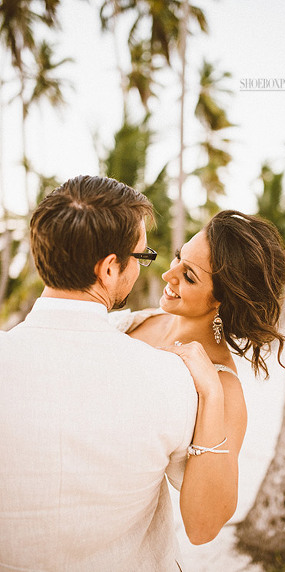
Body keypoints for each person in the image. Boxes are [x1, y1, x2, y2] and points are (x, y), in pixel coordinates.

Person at [0, 175, 201, 570]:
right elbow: (199, 505)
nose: (146, 270)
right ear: (109, 268)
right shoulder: (168, 379)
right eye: (142, 257)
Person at [110, 209, 285, 540]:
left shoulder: (222, 385)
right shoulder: (145, 319)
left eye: (189, 276)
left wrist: (210, 394)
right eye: (179, 257)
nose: (169, 275)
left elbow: (203, 528)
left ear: (222, 301)